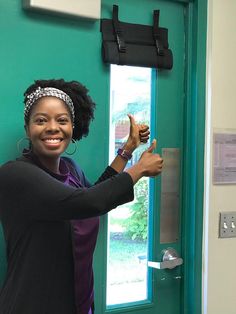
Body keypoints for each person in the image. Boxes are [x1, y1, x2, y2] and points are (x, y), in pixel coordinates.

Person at [0, 79, 163, 314]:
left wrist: (128, 150)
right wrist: (138, 170)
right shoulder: (15, 175)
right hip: (31, 303)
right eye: (41, 120)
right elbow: (88, 202)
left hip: (78, 302)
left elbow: (95, 199)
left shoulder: (70, 168)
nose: (52, 127)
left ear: (72, 127)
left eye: (62, 120)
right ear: (28, 128)